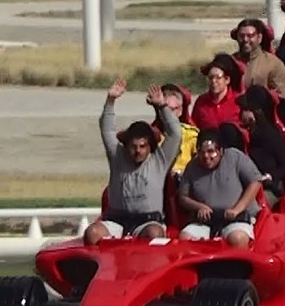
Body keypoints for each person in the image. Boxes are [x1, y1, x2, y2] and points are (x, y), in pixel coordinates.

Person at [84, 80, 181, 245]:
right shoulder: (117, 156)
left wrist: (162, 107)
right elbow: (106, 129)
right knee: (92, 233)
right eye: (133, 147)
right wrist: (110, 100)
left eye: (143, 146)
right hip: (116, 221)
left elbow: (175, 134)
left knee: (155, 233)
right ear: (125, 146)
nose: (138, 151)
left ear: (150, 146)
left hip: (147, 222)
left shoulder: (160, 160)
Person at [178, 129, 264, 248]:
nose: (206, 157)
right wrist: (199, 206)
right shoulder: (192, 166)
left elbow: (255, 182)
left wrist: (237, 209)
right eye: (202, 152)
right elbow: (183, 197)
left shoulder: (235, 157)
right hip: (207, 220)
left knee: (237, 238)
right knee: (185, 237)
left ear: (221, 151)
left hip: (236, 218)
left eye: (211, 152)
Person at [237, 85, 285, 206]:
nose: (241, 113)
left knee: (250, 205)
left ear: (257, 112)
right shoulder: (243, 133)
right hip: (245, 185)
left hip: (268, 189)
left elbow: (284, 165)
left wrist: (270, 176)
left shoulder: (271, 135)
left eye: (245, 109)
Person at [231, 18, 285, 97]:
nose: (245, 39)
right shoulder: (230, 62)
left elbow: (281, 94)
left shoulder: (274, 64)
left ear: (259, 37)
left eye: (250, 36)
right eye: (241, 36)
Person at [192, 53, 243, 132]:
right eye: (210, 77)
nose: (213, 81)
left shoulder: (239, 101)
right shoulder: (201, 102)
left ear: (227, 79)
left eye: (218, 77)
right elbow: (194, 129)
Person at [157, 83, 198, 176]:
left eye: (171, 110)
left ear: (180, 110)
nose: (167, 114)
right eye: (163, 109)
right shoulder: (152, 134)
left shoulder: (192, 136)